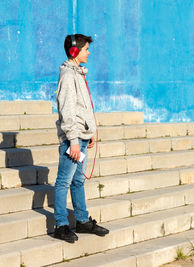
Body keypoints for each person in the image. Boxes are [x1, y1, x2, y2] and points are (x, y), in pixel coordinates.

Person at [53, 34, 109, 243]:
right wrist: (74, 141)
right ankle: (61, 224)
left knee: (77, 181)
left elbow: (82, 108)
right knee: (64, 182)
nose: (89, 52)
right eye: (86, 49)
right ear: (75, 51)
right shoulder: (68, 75)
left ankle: (83, 221)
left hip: (82, 138)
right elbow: (67, 110)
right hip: (72, 141)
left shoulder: (78, 73)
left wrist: (89, 133)